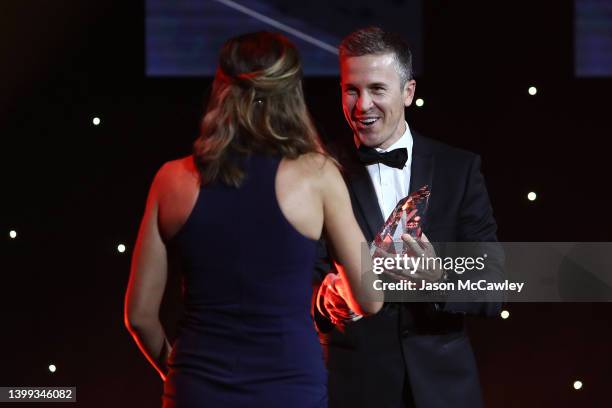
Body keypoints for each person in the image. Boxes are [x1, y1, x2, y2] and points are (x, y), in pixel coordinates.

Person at [124, 31, 382, 408]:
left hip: (196, 389)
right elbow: (370, 301)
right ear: (292, 92)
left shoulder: (172, 180)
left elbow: (139, 316)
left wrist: (178, 373)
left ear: (222, 90)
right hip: (291, 390)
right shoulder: (317, 175)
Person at [313, 27, 503, 408]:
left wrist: (441, 278)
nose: (361, 105)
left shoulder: (459, 169)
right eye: (351, 90)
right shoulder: (318, 170)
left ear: (408, 92)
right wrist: (323, 299)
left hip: (445, 391)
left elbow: (494, 283)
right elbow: (292, 280)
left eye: (377, 89)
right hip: (354, 389)